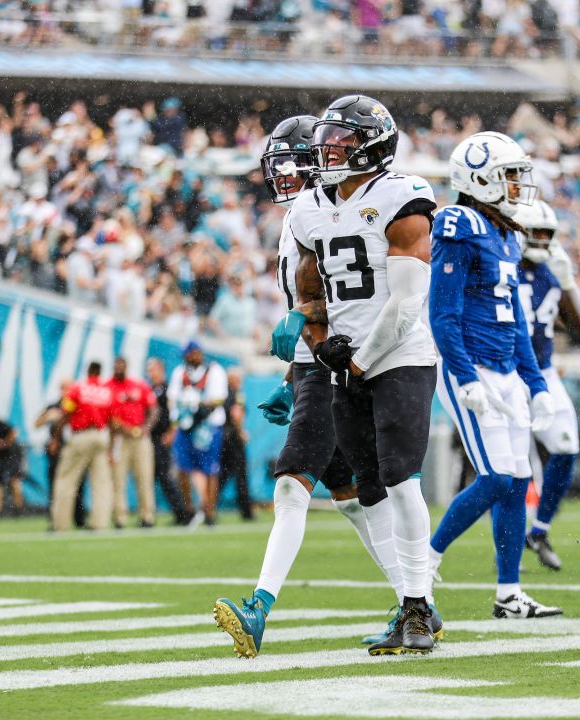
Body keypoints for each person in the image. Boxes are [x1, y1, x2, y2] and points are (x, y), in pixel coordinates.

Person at [215, 115, 420, 659]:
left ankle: (258, 607)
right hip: (316, 365)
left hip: (337, 364)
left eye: (292, 159)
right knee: (356, 498)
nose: (282, 172)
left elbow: (342, 297)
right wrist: (292, 373)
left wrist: (307, 337)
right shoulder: (307, 214)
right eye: (277, 162)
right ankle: (415, 602)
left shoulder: (331, 212)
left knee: (291, 484)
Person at [288, 95, 439, 655]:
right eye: (327, 139)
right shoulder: (310, 207)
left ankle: (419, 611)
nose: (329, 149)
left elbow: (404, 305)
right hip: (346, 361)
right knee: (367, 488)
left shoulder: (403, 198)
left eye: (343, 140)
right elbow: (308, 292)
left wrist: (355, 359)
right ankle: (410, 601)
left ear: (373, 145)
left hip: (399, 357)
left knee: (401, 479)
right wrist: (323, 345)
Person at [426, 131, 564, 621]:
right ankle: (425, 561)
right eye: (507, 176)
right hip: (471, 366)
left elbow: (519, 322)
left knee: (518, 479)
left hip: (506, 368)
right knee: (495, 477)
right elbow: (442, 314)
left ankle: (509, 594)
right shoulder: (457, 223)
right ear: (479, 178)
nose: (515, 186)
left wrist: (538, 382)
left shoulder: (504, 232)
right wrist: (464, 376)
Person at [511, 198, 580, 571]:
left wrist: (569, 283)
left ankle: (539, 530)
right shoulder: (503, 265)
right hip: (505, 373)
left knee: (566, 446)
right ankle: (509, 548)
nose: (543, 241)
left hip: (543, 373)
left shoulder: (551, 272)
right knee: (511, 469)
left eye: (548, 234)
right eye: (536, 234)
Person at [169, 340, 228, 526]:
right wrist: (179, 416)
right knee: (182, 469)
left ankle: (210, 512)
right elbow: (172, 398)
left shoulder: (215, 370)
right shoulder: (180, 372)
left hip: (208, 426)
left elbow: (218, 399)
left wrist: (196, 406)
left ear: (197, 353)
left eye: (189, 353)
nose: (186, 357)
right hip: (186, 426)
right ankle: (189, 510)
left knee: (210, 470)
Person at [50, 361, 114, 531]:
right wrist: (110, 448)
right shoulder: (107, 392)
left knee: (66, 480)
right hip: (100, 437)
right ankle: (99, 523)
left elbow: (65, 414)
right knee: (101, 483)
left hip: (81, 436)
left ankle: (60, 524)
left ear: (87, 372)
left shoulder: (78, 389)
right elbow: (112, 422)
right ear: (100, 373)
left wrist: (56, 439)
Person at [107, 357, 158, 528]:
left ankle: (147, 516)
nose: (119, 368)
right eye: (116, 365)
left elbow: (154, 408)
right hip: (119, 438)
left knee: (144, 477)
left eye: (122, 365)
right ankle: (120, 518)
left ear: (126, 367)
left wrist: (146, 427)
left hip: (140, 438)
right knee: (118, 479)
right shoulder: (108, 387)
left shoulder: (139, 385)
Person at [35, 380, 87, 528]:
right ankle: (55, 519)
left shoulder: (79, 406)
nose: (65, 391)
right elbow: (36, 424)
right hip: (56, 453)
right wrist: (47, 417)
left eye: (68, 388)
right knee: (56, 486)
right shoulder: (54, 406)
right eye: (63, 388)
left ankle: (79, 520)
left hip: (74, 450)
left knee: (78, 486)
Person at [146, 358, 192, 525]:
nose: (151, 372)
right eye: (149, 369)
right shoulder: (151, 389)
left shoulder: (167, 390)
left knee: (165, 477)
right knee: (156, 477)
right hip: (151, 439)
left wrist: (172, 432)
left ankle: (183, 513)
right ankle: (155, 515)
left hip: (162, 438)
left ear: (161, 370)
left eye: (153, 369)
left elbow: (176, 411)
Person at [220, 367, 253, 520]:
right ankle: (246, 512)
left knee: (222, 476)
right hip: (233, 439)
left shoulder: (223, 394)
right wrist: (240, 432)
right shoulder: (236, 394)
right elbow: (237, 413)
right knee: (241, 476)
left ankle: (208, 507)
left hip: (224, 438)